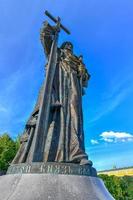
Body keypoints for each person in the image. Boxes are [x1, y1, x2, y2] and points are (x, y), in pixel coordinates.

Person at [12, 21, 91, 165]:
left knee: (75, 118)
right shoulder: (57, 54)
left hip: (73, 90)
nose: (69, 48)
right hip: (56, 90)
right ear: (62, 47)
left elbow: (85, 81)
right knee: (53, 119)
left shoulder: (77, 64)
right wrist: (52, 30)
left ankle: (76, 153)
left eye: (71, 47)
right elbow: (45, 38)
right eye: (67, 45)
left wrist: (82, 69)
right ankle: (46, 155)